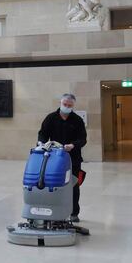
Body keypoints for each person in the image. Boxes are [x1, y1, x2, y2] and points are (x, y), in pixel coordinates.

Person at [37, 93, 86, 221]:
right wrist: (41, 142)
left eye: (69, 105)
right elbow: (42, 133)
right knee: (52, 184)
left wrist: (73, 145)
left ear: (73, 106)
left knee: (74, 185)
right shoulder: (51, 118)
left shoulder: (77, 120)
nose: (67, 107)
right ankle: (53, 210)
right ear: (60, 103)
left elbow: (83, 139)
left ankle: (74, 213)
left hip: (73, 159)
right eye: (65, 104)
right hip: (54, 158)